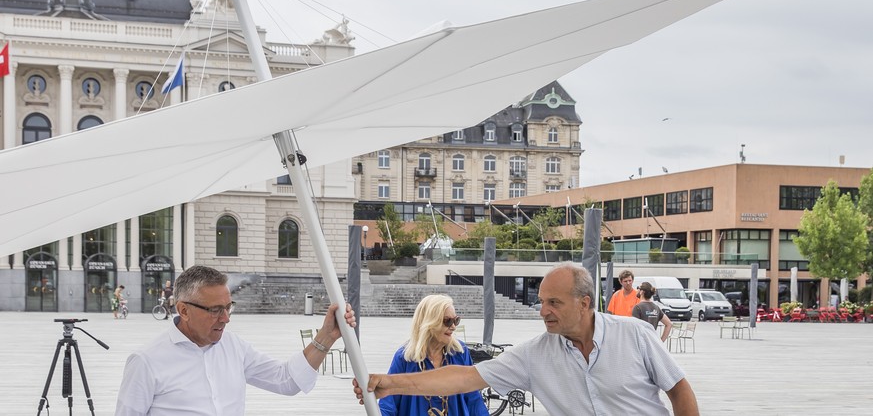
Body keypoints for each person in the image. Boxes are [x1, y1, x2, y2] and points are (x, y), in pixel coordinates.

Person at [354, 262, 699, 416]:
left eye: (554, 303)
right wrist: (388, 383)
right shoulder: (535, 354)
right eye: (542, 301)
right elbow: (465, 378)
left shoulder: (635, 335)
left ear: (584, 303)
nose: (543, 311)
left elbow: (679, 390)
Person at [116, 265, 356, 415]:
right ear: (184, 310)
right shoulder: (146, 362)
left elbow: (287, 380)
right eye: (215, 310)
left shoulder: (234, 347)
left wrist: (327, 335)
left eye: (228, 307)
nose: (226, 318)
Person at [379, 294, 489, 416]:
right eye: (447, 321)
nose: (453, 327)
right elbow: (388, 403)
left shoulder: (459, 353)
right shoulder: (405, 357)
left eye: (456, 320)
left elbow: (473, 398)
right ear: (429, 323)